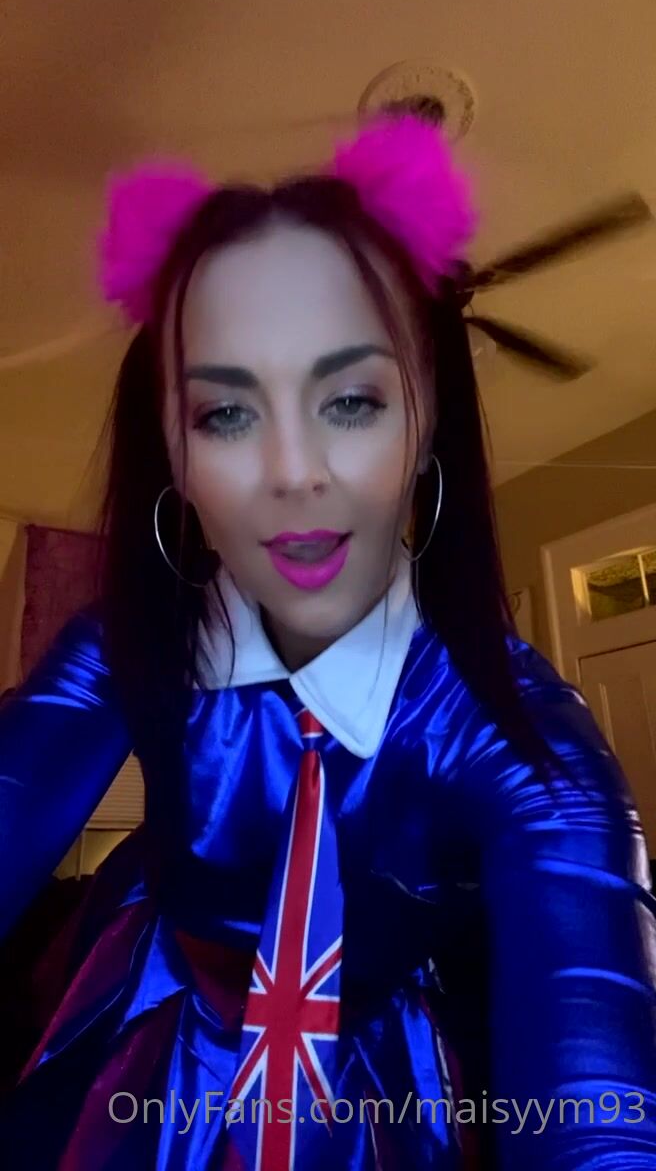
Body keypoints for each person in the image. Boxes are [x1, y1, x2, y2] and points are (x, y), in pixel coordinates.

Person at [0, 112, 655, 1170]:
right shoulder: (124, 645)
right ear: (172, 457)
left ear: (424, 424)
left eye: (350, 399)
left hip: (376, 1095)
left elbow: (600, 1116)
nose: (293, 473)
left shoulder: (523, 742)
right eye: (225, 413)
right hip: (148, 1048)